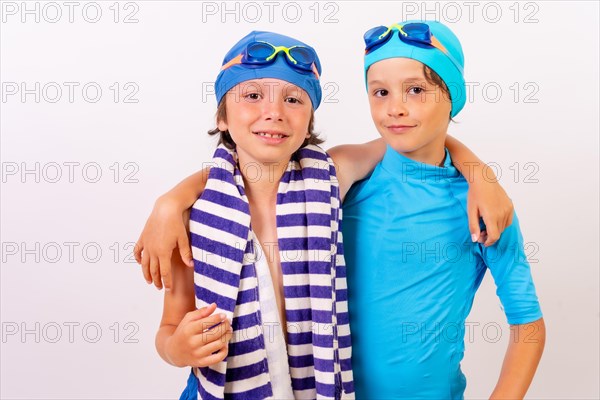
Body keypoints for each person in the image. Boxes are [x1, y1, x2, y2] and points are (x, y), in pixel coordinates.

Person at [135, 29, 515, 399]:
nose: (274, 113)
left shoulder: (331, 175)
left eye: (294, 100)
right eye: (252, 95)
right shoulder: (191, 219)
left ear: (309, 121)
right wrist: (177, 349)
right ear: (222, 117)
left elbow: (411, 134)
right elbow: (168, 328)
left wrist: (483, 176)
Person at [342, 21, 545, 399]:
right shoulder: (347, 179)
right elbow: (259, 176)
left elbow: (528, 325)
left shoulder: (484, 206)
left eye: (416, 90)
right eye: (380, 92)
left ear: (451, 95)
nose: (395, 108)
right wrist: (192, 187)